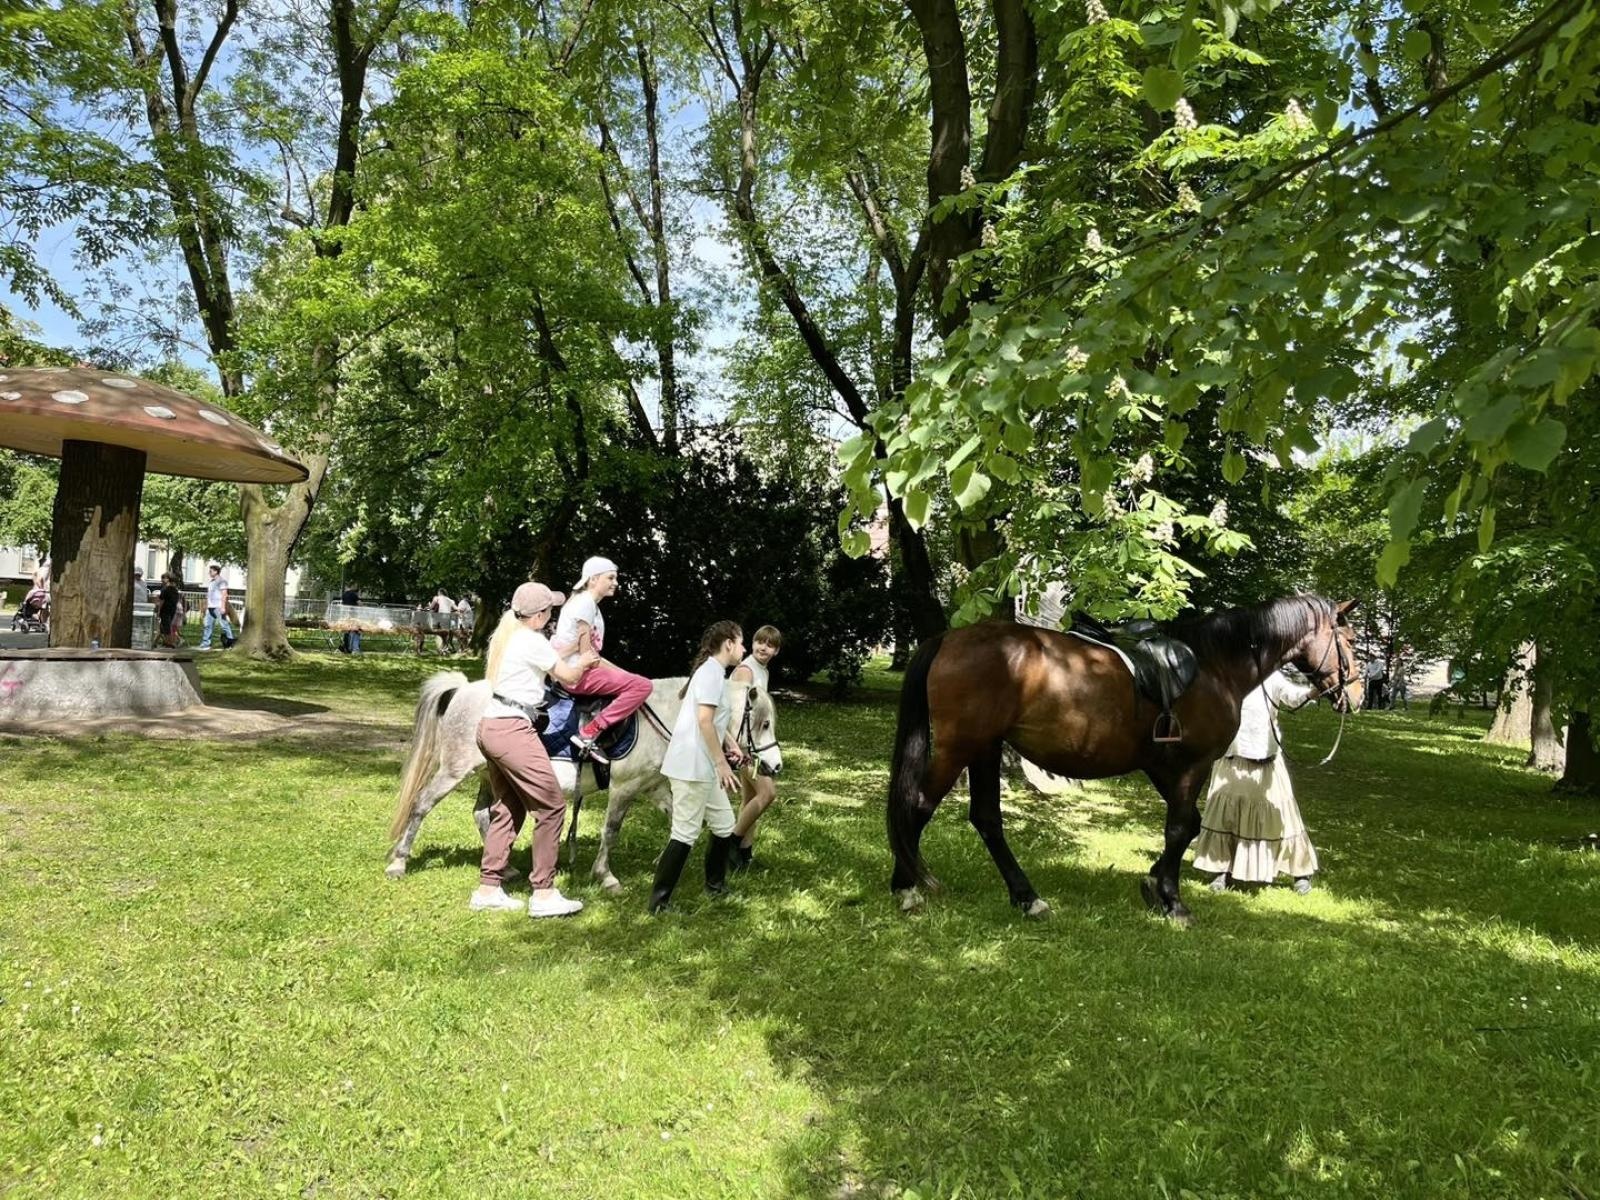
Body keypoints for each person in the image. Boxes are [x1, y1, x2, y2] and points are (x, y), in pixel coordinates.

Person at [471, 581, 601, 917]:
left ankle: (488, 887)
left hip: (492, 724)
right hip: (513, 729)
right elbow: (569, 677)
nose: (552, 614)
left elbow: (548, 662)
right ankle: (543, 893)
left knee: (509, 805)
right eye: (550, 610)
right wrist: (586, 659)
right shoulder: (532, 640)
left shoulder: (510, 635)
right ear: (540, 614)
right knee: (552, 806)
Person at [647, 620, 748, 914]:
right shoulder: (712, 674)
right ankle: (659, 903)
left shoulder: (714, 673)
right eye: (741, 642)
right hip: (693, 766)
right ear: (728, 643)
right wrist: (722, 764)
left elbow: (712, 719)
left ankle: (715, 888)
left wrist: (731, 743)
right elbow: (704, 720)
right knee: (684, 832)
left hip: (702, 767)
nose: (743, 649)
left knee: (725, 824)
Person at [1191, 670, 1320, 894]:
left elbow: (1292, 697)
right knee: (1225, 816)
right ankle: (1221, 871)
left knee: (1282, 814)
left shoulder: (1272, 676)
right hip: (1233, 757)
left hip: (1266, 760)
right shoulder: (1228, 674)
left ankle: (1300, 872)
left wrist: (1312, 692)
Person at [551, 556, 653, 765]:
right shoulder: (586, 604)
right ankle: (589, 732)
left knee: (634, 680)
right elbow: (588, 655)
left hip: (577, 669)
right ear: (593, 579)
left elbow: (590, 654)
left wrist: (623, 674)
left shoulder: (588, 604)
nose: (615, 582)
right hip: (577, 674)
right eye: (611, 577)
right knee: (643, 686)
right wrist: (627, 676)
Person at [729, 625, 782, 870]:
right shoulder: (746, 671)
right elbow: (737, 715)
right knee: (767, 793)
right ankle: (730, 844)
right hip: (744, 747)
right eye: (760, 642)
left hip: (754, 744)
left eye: (769, 644)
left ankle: (744, 856)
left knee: (750, 798)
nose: (763, 647)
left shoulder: (762, 671)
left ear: (776, 651)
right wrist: (744, 749)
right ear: (752, 644)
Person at [199, 563, 234, 649]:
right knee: (207, 625)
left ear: (216, 571)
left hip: (218, 607)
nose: (209, 573)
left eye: (210, 571)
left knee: (224, 625)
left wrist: (223, 607)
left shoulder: (222, 581)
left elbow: (224, 594)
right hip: (210, 607)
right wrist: (206, 606)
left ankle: (230, 642)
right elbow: (209, 595)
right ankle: (206, 643)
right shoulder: (211, 582)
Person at [155, 572, 184, 648]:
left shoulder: (165, 589)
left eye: (163, 578)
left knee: (166, 628)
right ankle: (160, 642)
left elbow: (161, 601)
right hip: (172, 611)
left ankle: (170, 643)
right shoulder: (175, 590)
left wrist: (158, 611)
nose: (162, 580)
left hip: (165, 611)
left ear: (168, 579)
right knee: (163, 627)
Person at [429, 588, 456, 654]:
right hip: (448, 618)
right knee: (445, 634)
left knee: (437, 632)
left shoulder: (437, 597)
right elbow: (456, 608)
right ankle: (444, 649)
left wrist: (429, 606)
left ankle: (441, 649)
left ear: (440, 592)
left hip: (439, 617)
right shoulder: (450, 600)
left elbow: (431, 607)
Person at [340, 585, 361, 655]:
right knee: (355, 632)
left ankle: (345, 647)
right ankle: (354, 649)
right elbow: (360, 604)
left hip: (346, 615)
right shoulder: (353, 594)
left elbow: (343, 604)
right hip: (353, 615)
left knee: (347, 632)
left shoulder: (344, 595)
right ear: (352, 586)